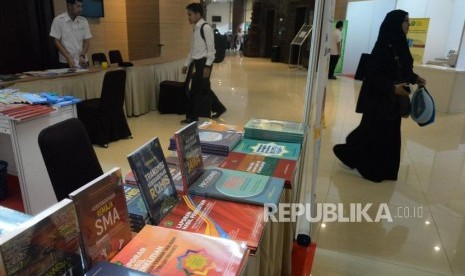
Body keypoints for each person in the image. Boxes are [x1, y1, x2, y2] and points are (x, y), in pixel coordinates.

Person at [332, 10, 426, 183]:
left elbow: (403, 69)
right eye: (406, 21)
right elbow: (373, 74)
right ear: (395, 23)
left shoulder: (401, 44)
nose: (408, 25)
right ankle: (370, 168)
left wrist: (415, 78)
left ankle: (381, 167)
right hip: (380, 99)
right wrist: (392, 87)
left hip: (394, 101)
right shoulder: (383, 45)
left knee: (386, 134)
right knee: (374, 133)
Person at [181, 3, 227, 124]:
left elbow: (211, 50)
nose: (188, 17)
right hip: (198, 62)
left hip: (205, 63)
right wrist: (186, 64)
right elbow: (193, 50)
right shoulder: (195, 28)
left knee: (196, 89)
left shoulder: (205, 28)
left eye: (190, 15)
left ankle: (192, 116)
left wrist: (207, 66)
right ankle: (219, 108)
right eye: (188, 15)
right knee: (204, 88)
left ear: (197, 14)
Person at [50, 0, 92, 69]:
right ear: (69, 6)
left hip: (82, 61)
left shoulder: (84, 21)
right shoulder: (58, 20)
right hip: (66, 62)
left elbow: (87, 40)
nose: (80, 9)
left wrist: (82, 55)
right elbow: (56, 41)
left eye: (81, 6)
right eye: (78, 6)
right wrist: (68, 57)